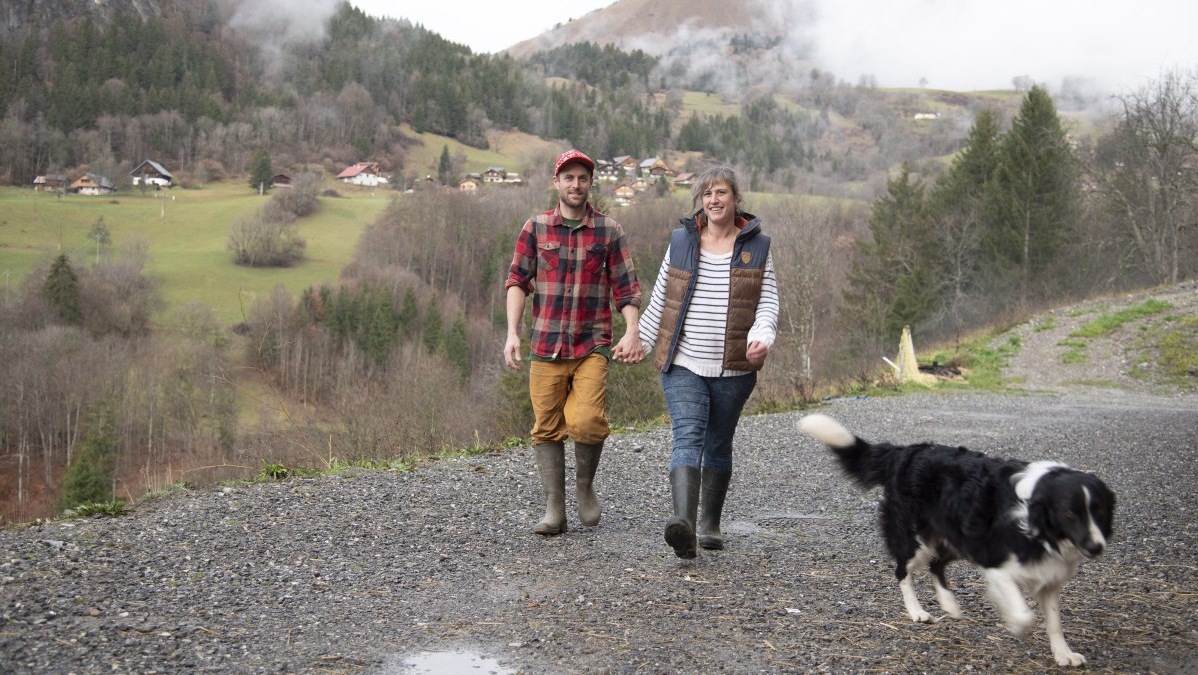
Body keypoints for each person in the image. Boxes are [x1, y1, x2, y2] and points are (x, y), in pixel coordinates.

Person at [638, 165, 779, 559]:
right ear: (701, 201)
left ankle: (710, 524)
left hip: (734, 368)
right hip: (684, 362)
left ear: (736, 199)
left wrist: (760, 339)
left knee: (718, 443)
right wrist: (642, 341)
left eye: (721, 193)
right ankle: (683, 524)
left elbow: (768, 304)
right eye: (707, 194)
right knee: (687, 436)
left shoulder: (758, 247)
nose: (714, 200)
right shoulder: (682, 242)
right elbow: (662, 300)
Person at [504, 149, 644, 536]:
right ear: (557, 183)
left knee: (585, 421)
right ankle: (554, 508)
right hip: (545, 344)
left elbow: (627, 288)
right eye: (569, 178)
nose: (576, 184)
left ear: (590, 183)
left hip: (591, 344)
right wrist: (513, 332)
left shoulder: (609, 231)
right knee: (546, 427)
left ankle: (584, 486)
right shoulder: (535, 228)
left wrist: (632, 330)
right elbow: (517, 281)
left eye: (582, 178)